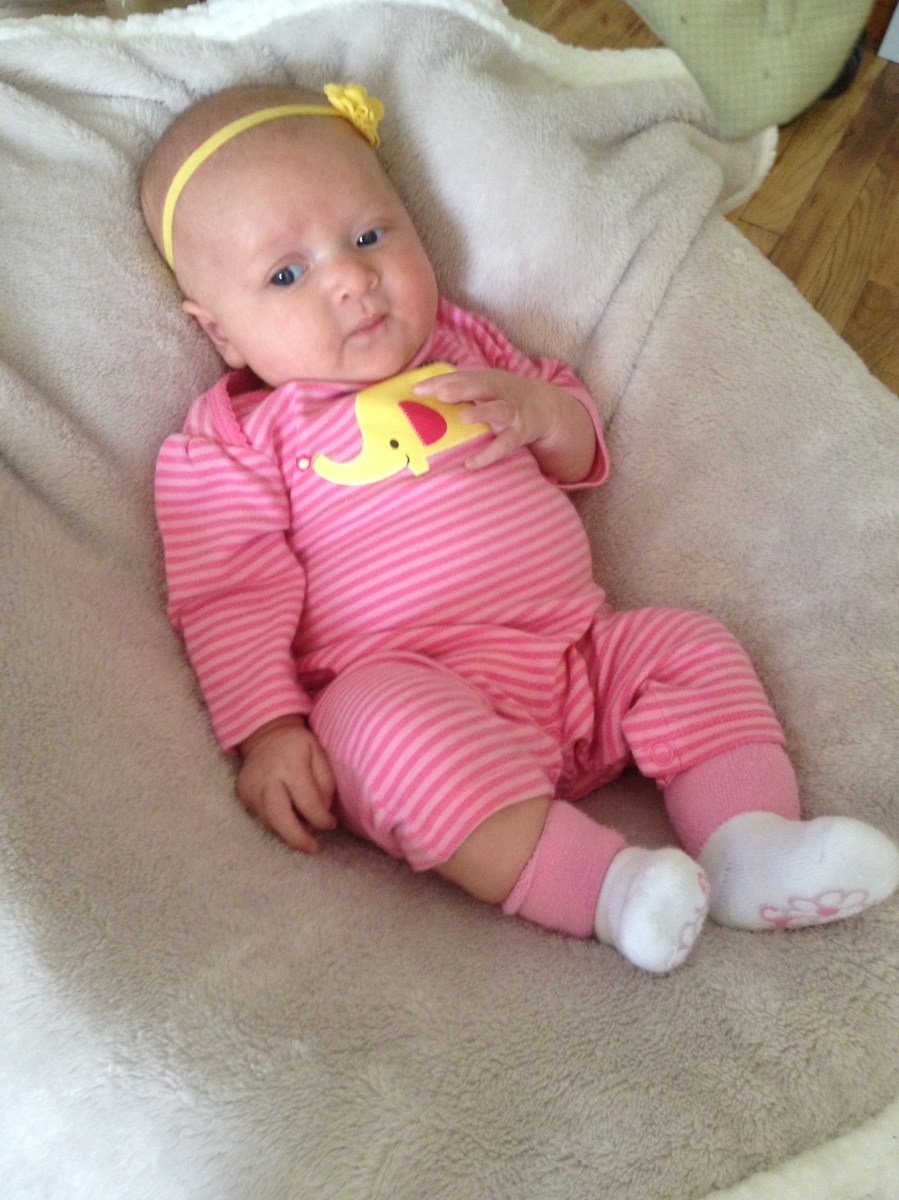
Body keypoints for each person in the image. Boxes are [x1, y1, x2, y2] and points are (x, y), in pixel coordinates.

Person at [141, 81, 898, 972]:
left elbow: (578, 450)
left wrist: (538, 411)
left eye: (371, 236)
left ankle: (748, 844)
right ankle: (606, 890)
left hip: (574, 658)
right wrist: (268, 730)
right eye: (286, 274)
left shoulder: (463, 348)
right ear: (221, 334)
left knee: (687, 644)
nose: (350, 279)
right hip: (413, 684)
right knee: (369, 725)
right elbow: (227, 592)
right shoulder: (235, 437)